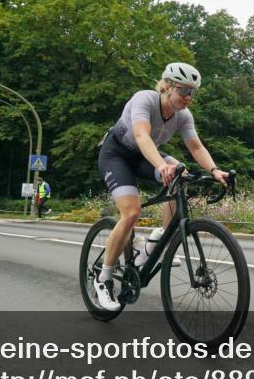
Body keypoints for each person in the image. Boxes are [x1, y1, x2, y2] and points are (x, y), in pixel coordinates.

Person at [94, 62, 230, 311]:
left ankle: (158, 239)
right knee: (131, 213)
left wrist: (214, 170)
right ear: (167, 87)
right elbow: (141, 136)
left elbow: (196, 147)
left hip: (145, 156)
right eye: (184, 90)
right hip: (116, 155)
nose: (189, 97)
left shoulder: (183, 116)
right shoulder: (144, 99)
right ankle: (104, 278)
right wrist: (161, 165)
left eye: (193, 92)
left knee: (182, 175)